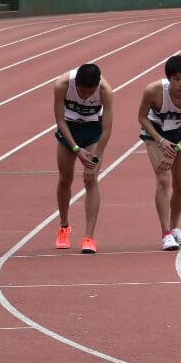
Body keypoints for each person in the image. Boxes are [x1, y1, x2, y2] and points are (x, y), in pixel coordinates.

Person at [137, 55, 181, 251]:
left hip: (180, 136)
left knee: (180, 184)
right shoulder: (153, 91)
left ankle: (175, 228)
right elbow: (142, 117)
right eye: (177, 79)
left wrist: (176, 148)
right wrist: (160, 141)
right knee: (163, 180)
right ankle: (166, 233)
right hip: (155, 135)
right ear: (169, 79)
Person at [52, 63, 111, 254]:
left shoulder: (105, 91)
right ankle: (64, 227)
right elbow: (60, 121)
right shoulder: (62, 85)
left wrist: (95, 159)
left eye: (90, 92)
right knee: (64, 179)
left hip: (93, 132)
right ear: (75, 83)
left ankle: (89, 236)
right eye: (82, 91)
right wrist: (76, 149)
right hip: (69, 131)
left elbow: (107, 130)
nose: (86, 96)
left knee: (91, 179)